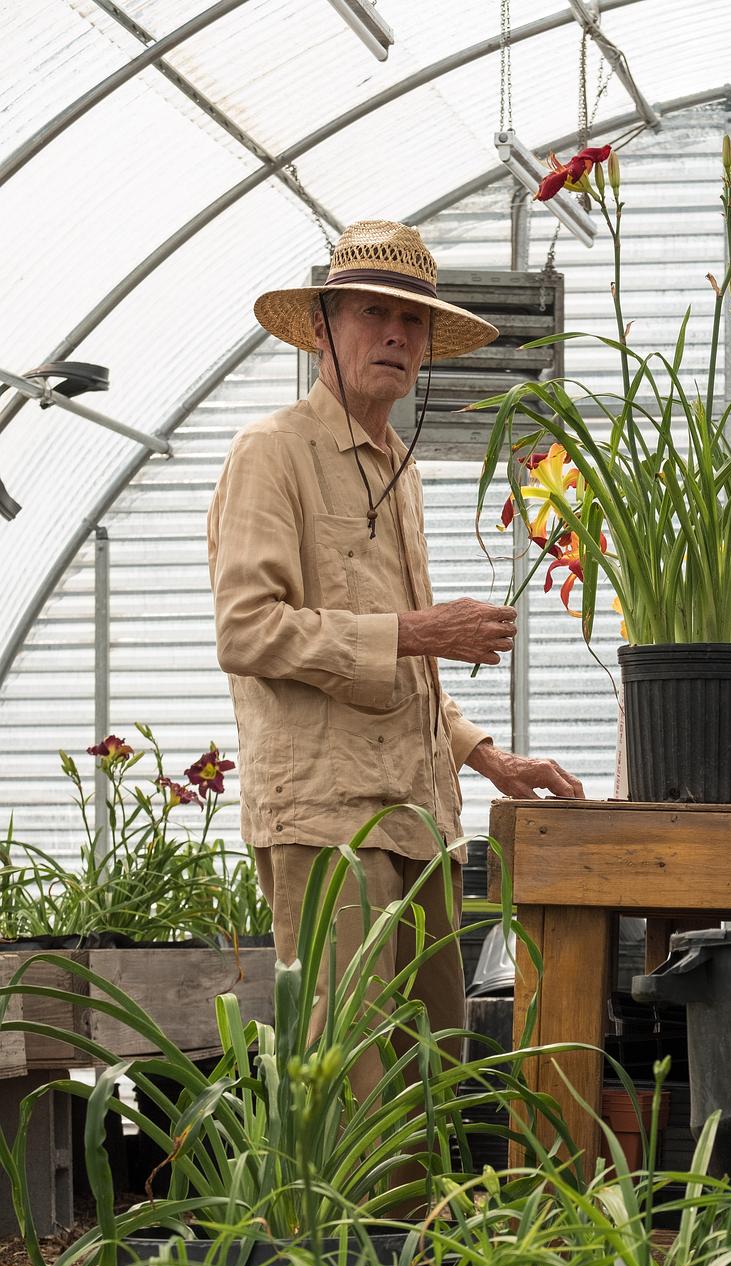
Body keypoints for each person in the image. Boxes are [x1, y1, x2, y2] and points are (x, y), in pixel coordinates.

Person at [207, 219, 584, 1100]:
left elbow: (401, 657)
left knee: (430, 1073)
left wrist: (488, 756)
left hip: (420, 815)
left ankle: (416, 1241)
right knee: (353, 1082)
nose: (396, 336)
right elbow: (248, 629)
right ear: (320, 328)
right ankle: (343, 1242)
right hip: (329, 818)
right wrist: (420, 631)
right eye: (373, 313)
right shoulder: (272, 453)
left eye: (413, 323)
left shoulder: (396, 468)